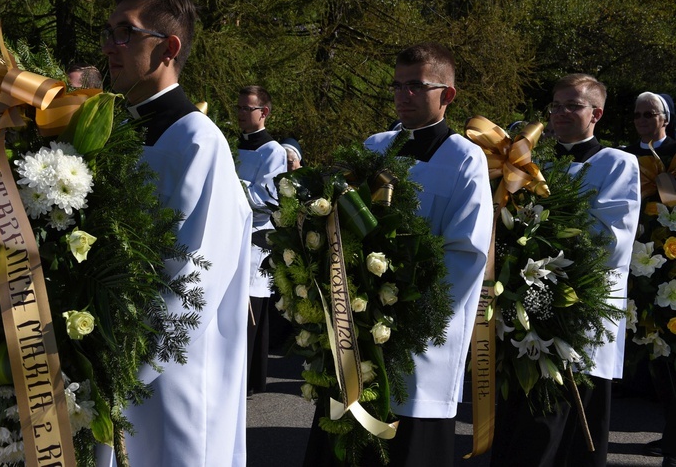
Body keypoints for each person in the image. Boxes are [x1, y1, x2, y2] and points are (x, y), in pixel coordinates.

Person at [304, 42, 492, 467]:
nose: (403, 95)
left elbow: (465, 253)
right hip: (357, 322)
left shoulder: (466, 158)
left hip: (418, 333)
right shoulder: (376, 146)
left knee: (407, 443)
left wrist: (405, 314)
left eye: (416, 86)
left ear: (447, 95)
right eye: (397, 85)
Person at [100, 0, 252, 467]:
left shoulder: (197, 142)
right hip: (108, 356)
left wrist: (123, 366)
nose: (109, 46)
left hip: (169, 375)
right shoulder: (116, 130)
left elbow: (191, 280)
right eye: (107, 32)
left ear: (168, 48)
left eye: (126, 33)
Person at [491, 74, 640, 467]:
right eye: (555, 106)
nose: (560, 114)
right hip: (525, 304)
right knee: (518, 422)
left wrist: (538, 236)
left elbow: (610, 240)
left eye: (572, 106)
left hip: (580, 312)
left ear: (597, 114)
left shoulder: (616, 163)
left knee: (564, 429)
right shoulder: (528, 163)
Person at [235, 85, 286, 395]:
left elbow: (268, 197)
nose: (240, 114)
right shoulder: (232, 146)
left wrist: (233, 188)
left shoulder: (273, 151)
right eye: (238, 108)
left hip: (256, 239)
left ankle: (249, 379)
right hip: (232, 235)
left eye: (247, 109)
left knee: (251, 310)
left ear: (263, 112)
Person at [622, 91, 676, 157]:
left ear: (665, 120)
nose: (641, 120)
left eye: (648, 115)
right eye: (637, 115)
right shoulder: (626, 154)